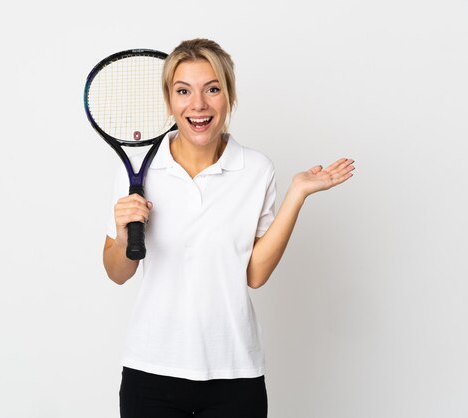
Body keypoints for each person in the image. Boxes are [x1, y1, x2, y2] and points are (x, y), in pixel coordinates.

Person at [103, 38, 354, 418]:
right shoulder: (138, 170)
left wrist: (297, 193)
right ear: (169, 101)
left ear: (229, 97)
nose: (198, 104)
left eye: (213, 89)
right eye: (183, 91)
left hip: (234, 375)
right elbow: (117, 273)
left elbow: (254, 275)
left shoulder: (256, 169)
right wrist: (124, 235)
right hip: (150, 372)